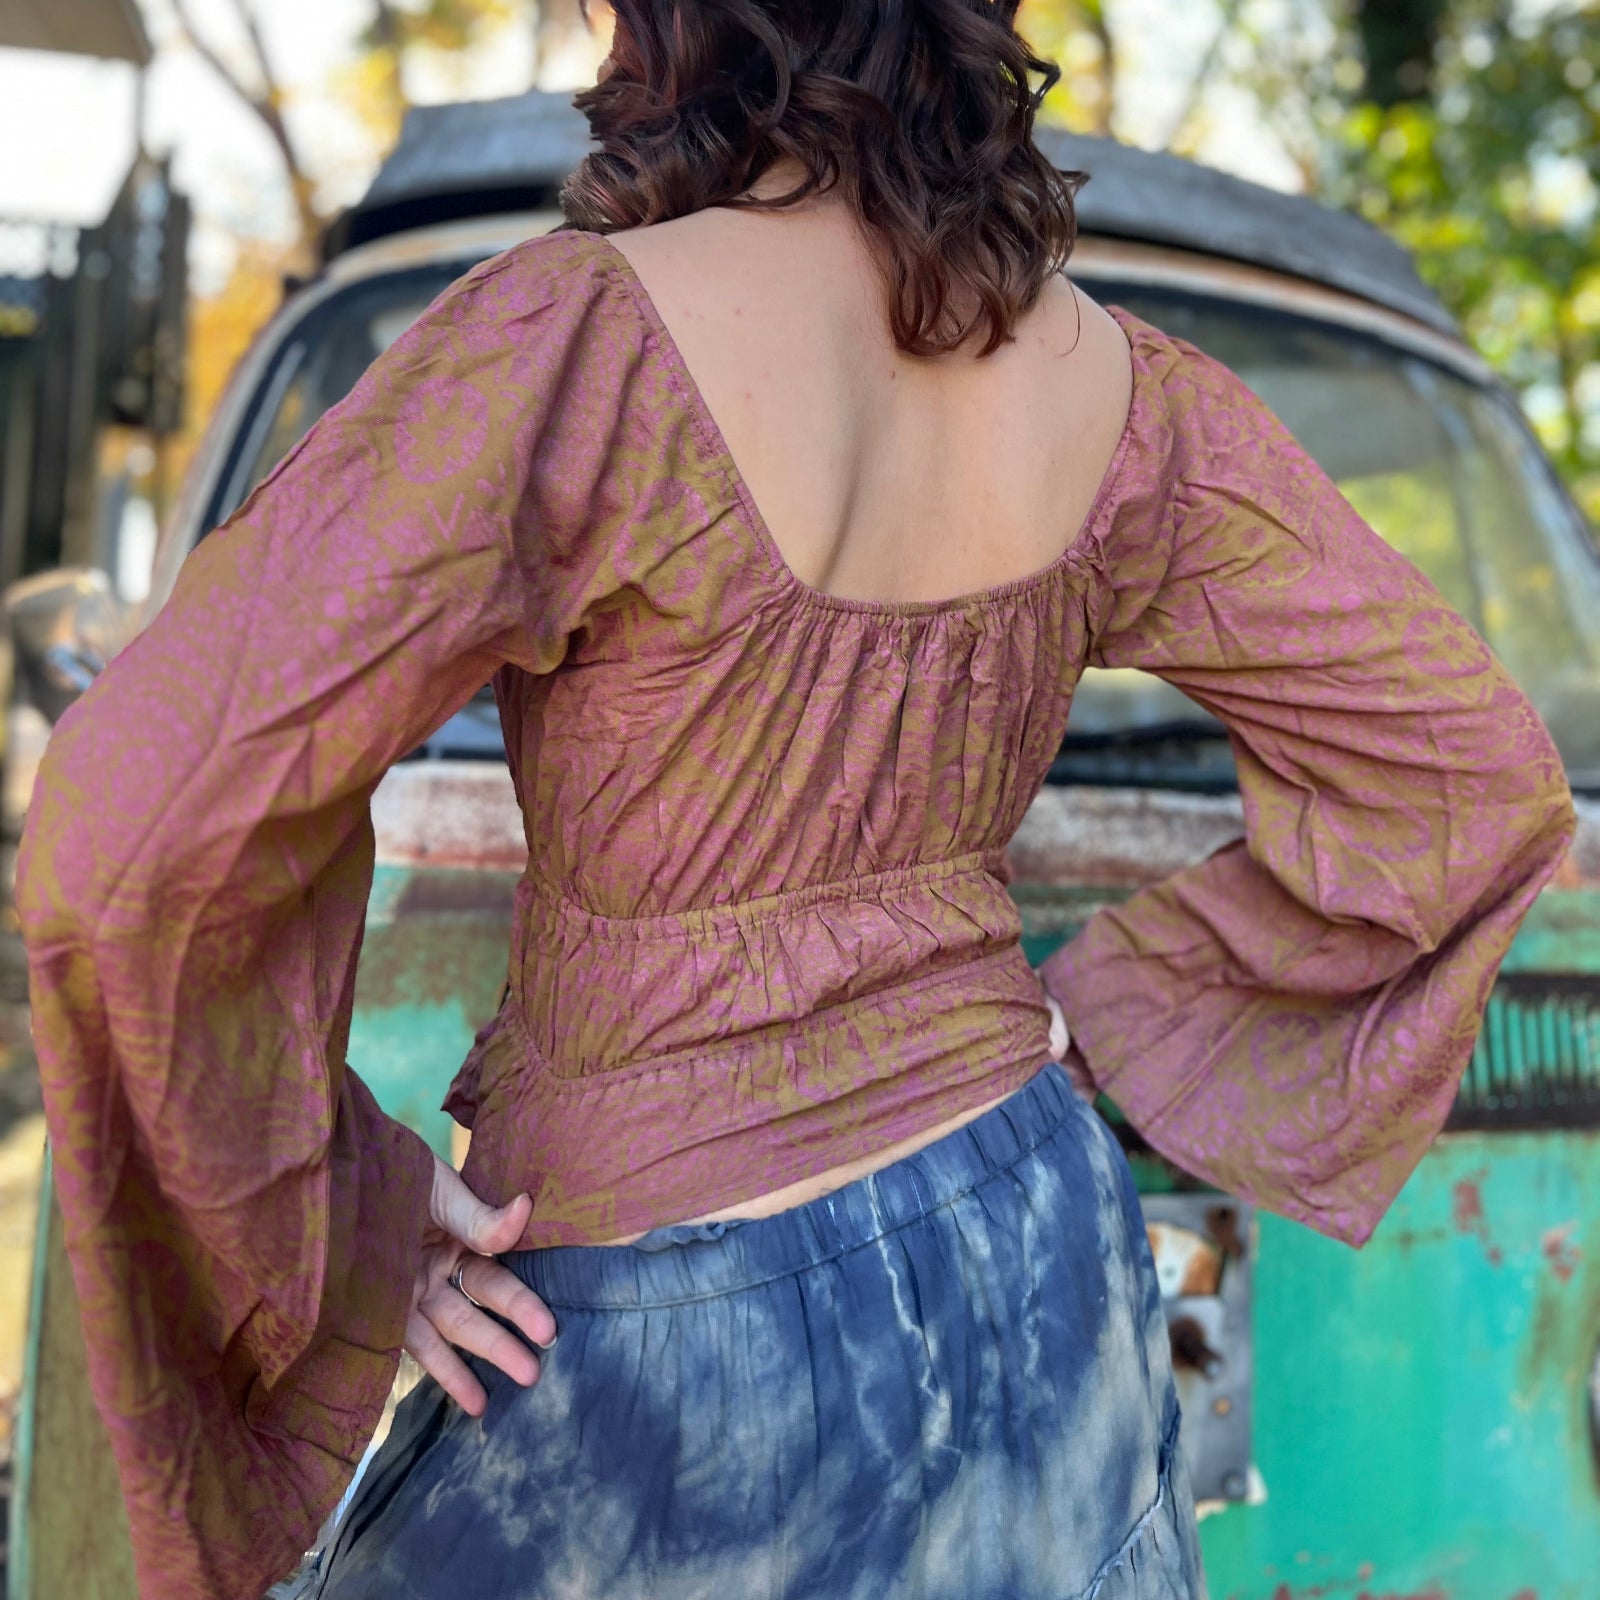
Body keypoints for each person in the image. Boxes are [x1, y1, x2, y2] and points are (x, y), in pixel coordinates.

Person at [15, 0, 1575, 1595]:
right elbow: (1467, 772)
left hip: (660, 1329)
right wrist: (1108, 1012)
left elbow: (126, 838)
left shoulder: (575, 346)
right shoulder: (1129, 392)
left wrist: (362, 1204)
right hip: (1041, 1244)